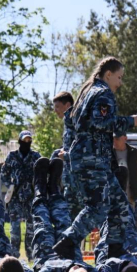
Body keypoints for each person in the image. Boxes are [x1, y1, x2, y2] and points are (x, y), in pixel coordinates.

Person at [53, 57, 137, 261]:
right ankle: (67, 243)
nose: (120, 83)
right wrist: (129, 121)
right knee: (98, 207)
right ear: (108, 75)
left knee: (119, 204)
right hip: (91, 160)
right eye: (119, 77)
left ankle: (115, 249)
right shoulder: (103, 93)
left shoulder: (89, 92)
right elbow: (101, 122)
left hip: (93, 160)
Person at [31, 157, 102, 272]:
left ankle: (39, 189)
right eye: (80, 268)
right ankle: (55, 189)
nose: (77, 267)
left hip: (47, 257)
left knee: (43, 224)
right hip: (71, 254)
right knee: (64, 223)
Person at [0, 130, 42, 260]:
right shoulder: (12, 156)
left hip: (31, 198)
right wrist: (10, 186)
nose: (27, 142)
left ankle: (31, 257)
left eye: (29, 140)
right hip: (15, 198)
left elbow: (42, 174)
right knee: (14, 230)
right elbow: (4, 174)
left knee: (31, 230)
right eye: (24, 140)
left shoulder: (36, 156)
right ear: (19, 141)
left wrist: (37, 188)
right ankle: (14, 257)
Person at [50, 91, 80, 220]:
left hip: (77, 180)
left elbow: (83, 148)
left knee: (75, 216)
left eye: (57, 107)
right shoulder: (67, 122)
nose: (55, 110)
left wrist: (66, 155)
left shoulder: (75, 121)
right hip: (69, 179)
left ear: (67, 105)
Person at [113, 131, 137, 208]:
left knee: (129, 213)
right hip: (112, 193)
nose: (114, 141)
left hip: (129, 194)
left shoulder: (134, 152)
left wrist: (132, 180)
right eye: (113, 139)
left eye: (117, 139)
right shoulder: (109, 152)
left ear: (125, 138)